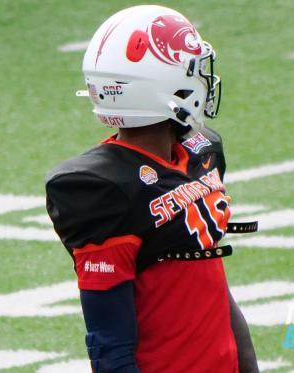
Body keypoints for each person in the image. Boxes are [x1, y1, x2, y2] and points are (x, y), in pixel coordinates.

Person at [46, 5, 259, 373]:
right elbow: (110, 348)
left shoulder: (200, 153)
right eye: (193, 70)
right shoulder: (103, 191)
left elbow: (215, 291)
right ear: (165, 88)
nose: (205, 80)